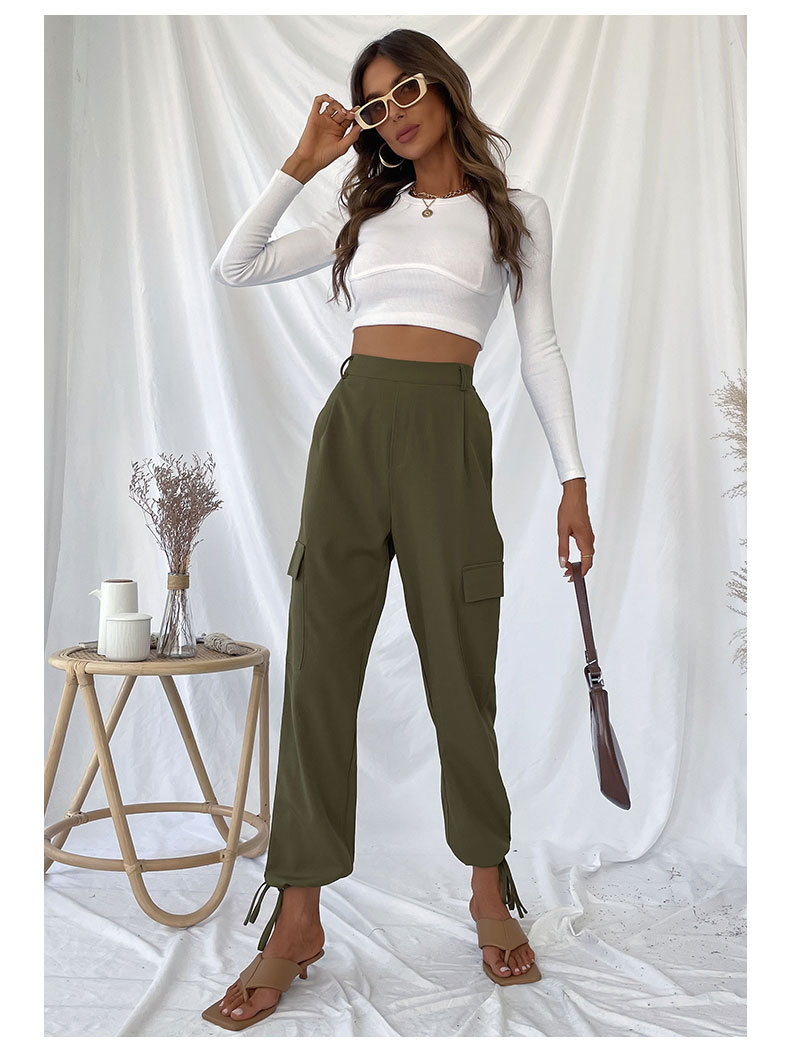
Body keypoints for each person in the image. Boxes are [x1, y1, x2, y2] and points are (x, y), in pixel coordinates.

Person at [202, 28, 595, 1030]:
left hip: (446, 442)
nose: (394, 115)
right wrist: (301, 166)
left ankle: (488, 887)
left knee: (461, 674)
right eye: (374, 107)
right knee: (319, 674)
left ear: (443, 86)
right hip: (351, 434)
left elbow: (540, 349)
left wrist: (573, 481)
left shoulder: (514, 215)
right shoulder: (360, 215)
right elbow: (234, 266)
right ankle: (297, 919)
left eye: (406, 90)